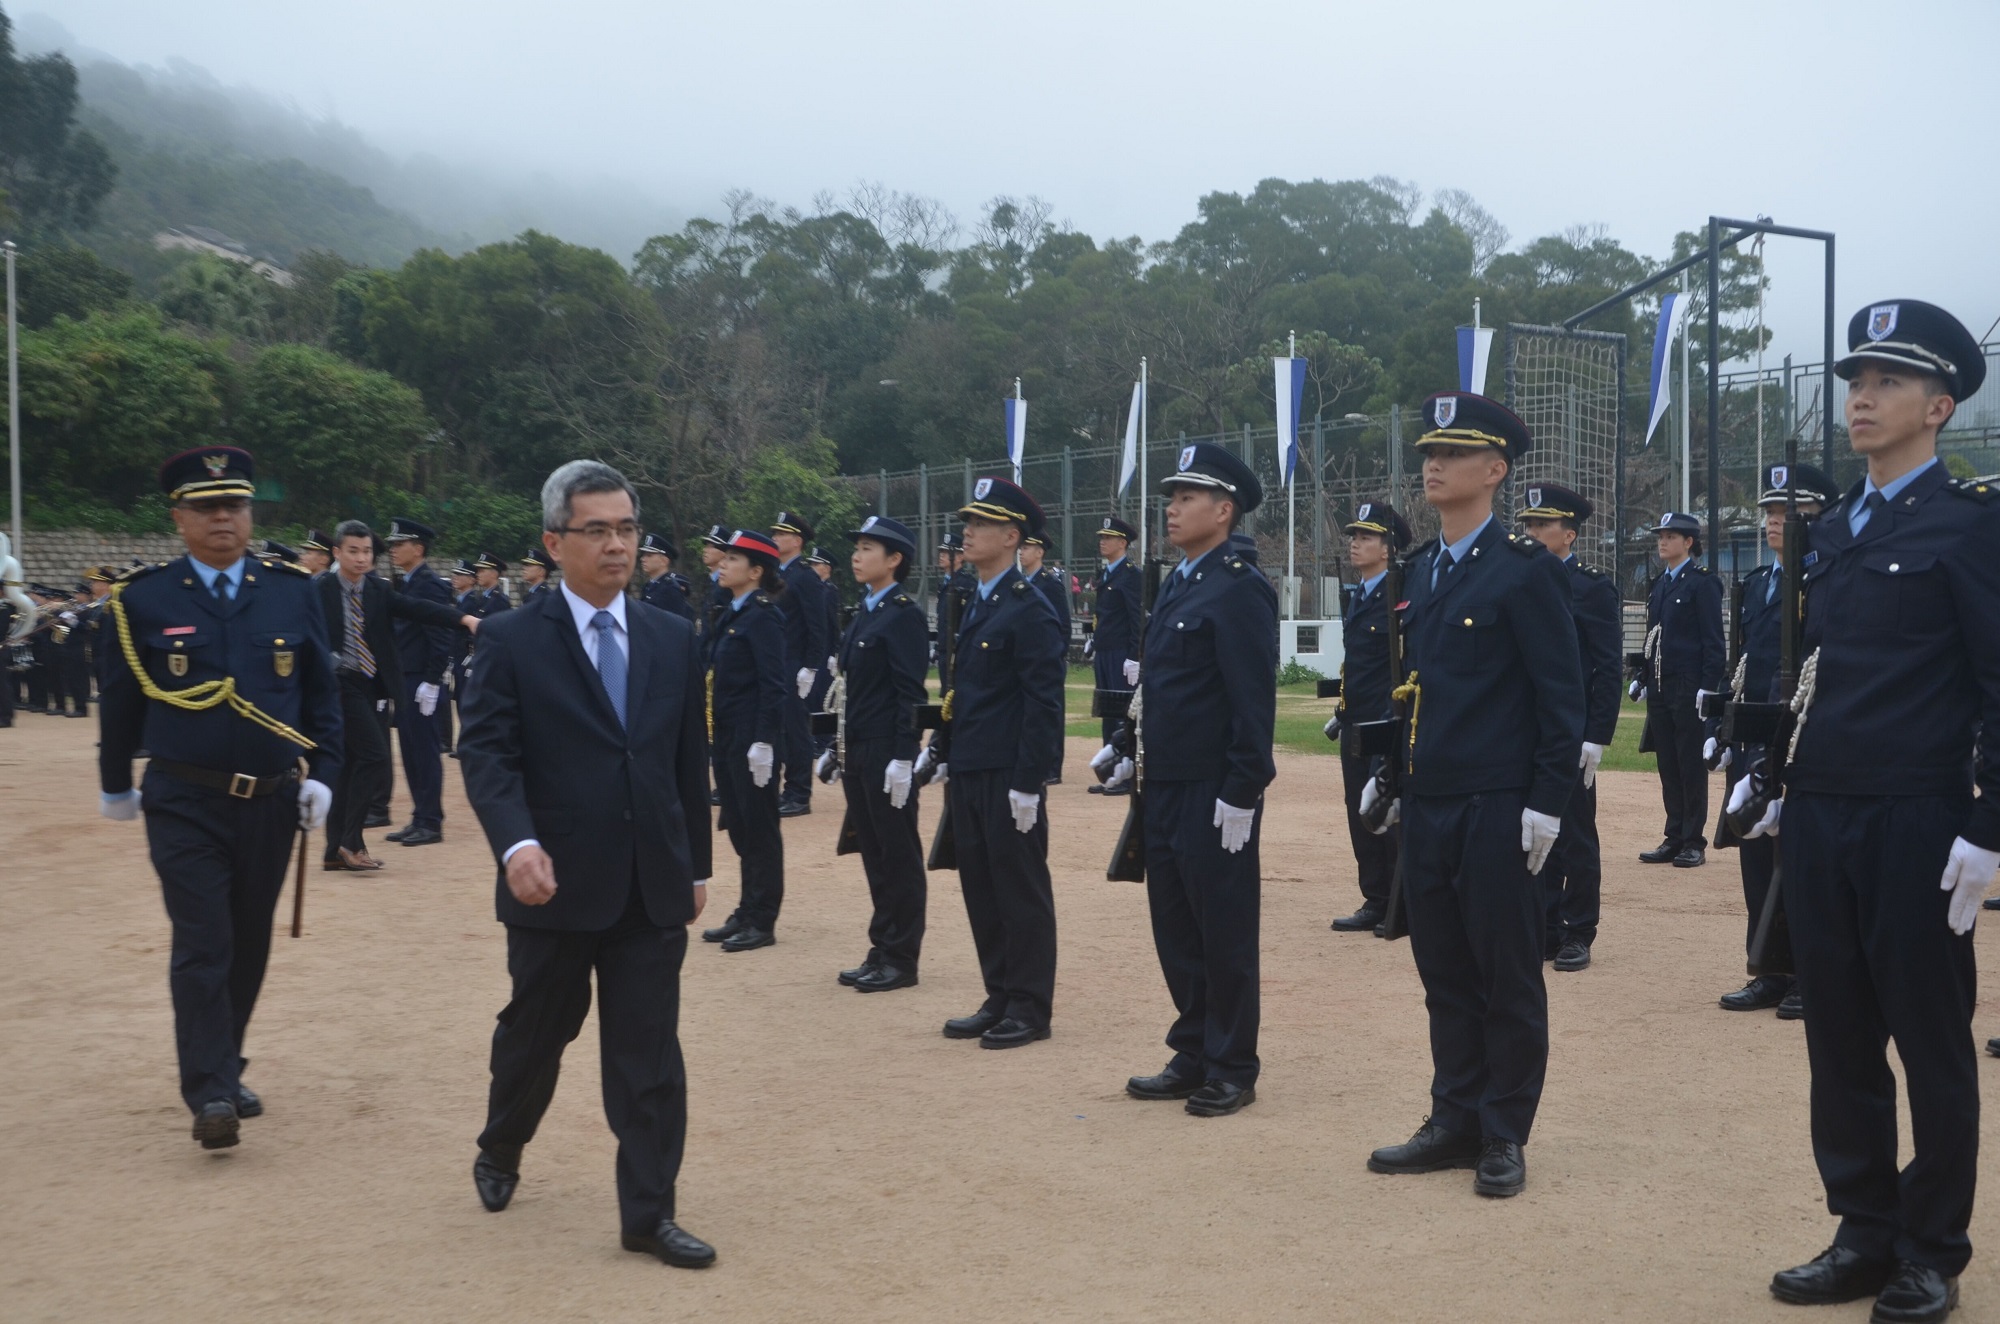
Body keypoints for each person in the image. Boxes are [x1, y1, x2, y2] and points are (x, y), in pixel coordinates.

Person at [1739, 301, 1997, 1324]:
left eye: (1888, 382)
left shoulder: (1969, 525)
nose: (1860, 395)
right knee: (1836, 1034)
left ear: (1937, 406)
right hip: (1821, 812)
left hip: (1917, 817)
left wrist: (1986, 825)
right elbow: (1810, 673)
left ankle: (1929, 1249)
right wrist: (1765, 779)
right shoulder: (1830, 528)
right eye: (1855, 379)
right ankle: (1859, 1227)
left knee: (1926, 1037)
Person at [459, 459, 716, 1270]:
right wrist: (516, 842)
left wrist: (697, 864)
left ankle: (648, 1213)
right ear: (554, 541)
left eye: (626, 529)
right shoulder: (508, 638)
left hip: (650, 882)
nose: (615, 546)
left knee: (647, 1053)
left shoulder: (673, 636)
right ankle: (502, 1144)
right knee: (537, 1035)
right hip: (554, 881)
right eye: (596, 530)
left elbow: (684, 759)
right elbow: (488, 755)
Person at [1364, 392, 1582, 1200]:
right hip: (1431, 801)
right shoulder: (1420, 570)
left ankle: (1502, 1132)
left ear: (1494, 471)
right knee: (1445, 970)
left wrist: (1547, 803)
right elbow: (1416, 692)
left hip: (1498, 801)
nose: (1434, 464)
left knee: (1506, 976)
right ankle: (1452, 1116)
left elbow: (1559, 698)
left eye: (1453, 454)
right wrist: (1393, 779)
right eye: (1429, 451)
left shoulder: (1523, 573)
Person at [96, 445, 342, 1149]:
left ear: (250, 512)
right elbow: (119, 701)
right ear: (180, 518)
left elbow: (321, 694)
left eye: (234, 505)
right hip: (185, 800)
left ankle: (225, 1065)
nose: (223, 518)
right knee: (204, 940)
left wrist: (323, 772)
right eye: (206, 507)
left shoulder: (293, 590)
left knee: (249, 941)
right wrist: (116, 783)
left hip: (269, 798)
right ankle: (208, 1092)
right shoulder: (143, 599)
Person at [1121, 443, 1277, 1118]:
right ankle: (1193, 1047)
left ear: (1224, 509)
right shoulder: (1181, 580)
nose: (1173, 509)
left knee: (1223, 928)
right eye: (1171, 498)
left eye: (1187, 498)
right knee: (1176, 924)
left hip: (1215, 788)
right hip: (1166, 782)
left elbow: (1251, 698)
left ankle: (1231, 1064)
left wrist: (1243, 789)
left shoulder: (1239, 585)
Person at [921, 477, 1066, 1049]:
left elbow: (1042, 702)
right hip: (973, 766)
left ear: (1012, 536)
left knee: (1019, 888)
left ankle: (1030, 1006)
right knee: (981, 884)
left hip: (1009, 772)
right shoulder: (972, 600)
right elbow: (963, 693)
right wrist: (941, 752)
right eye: (968, 523)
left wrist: (1030, 780)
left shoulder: (1027, 609)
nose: (968, 532)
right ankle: (1000, 994)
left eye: (980, 525)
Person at [1713, 463, 1834, 1019]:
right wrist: (1725, 732)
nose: (1774, 522)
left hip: (1805, 742)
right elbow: (1749, 664)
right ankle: (1770, 967)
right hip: (1758, 742)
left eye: (1790, 513)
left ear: (1818, 518)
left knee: (1806, 863)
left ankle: (1813, 974)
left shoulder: (1827, 581)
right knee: (1757, 857)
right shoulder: (1761, 583)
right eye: (1769, 513)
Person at [318, 521, 474, 873]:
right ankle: (349, 843)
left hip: (371, 686)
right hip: (338, 684)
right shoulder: (320, 590)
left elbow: (420, 610)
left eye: (367, 552)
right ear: (337, 553)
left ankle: (334, 849)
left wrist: (464, 619)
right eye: (354, 551)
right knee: (372, 757)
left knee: (350, 764)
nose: (361, 558)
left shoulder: (377, 589)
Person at [1518, 484, 1621, 972]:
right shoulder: (1518, 580)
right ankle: (1546, 925)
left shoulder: (1591, 586)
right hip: (1529, 728)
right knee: (1535, 830)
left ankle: (1579, 929)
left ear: (1570, 534)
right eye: (1529, 525)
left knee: (1576, 835)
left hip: (1574, 731)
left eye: (1543, 526)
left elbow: (1607, 668)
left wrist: (1596, 734)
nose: (1533, 533)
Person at [831, 516, 930, 993]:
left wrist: (904, 756)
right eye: (857, 548)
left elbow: (909, 692)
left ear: (894, 560)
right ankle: (881, 947)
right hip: (858, 748)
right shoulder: (866, 612)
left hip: (885, 750)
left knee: (898, 854)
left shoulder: (903, 613)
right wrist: (837, 747)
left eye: (868, 548)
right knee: (873, 852)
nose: (857, 555)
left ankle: (901, 957)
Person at [700, 530, 791, 953]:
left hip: (752, 739)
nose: (722, 564)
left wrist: (765, 741)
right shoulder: (733, 612)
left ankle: (762, 918)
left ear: (756, 571)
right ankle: (747, 907)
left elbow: (775, 685)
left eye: (733, 560)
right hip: (729, 736)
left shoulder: (763, 615)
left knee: (759, 828)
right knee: (739, 822)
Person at [1328, 501, 1411, 934]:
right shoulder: (1360, 592)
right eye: (1354, 537)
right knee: (1356, 811)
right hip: (1356, 720)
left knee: (1387, 809)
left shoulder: (1399, 593)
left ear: (1388, 546)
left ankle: (1403, 902)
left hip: (1386, 721)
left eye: (1366, 537)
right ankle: (1375, 898)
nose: (1355, 545)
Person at [1634, 511, 1724, 869]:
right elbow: (1653, 638)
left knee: (1689, 764)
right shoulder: (1660, 584)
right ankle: (1673, 836)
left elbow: (1714, 644)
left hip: (1688, 686)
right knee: (1667, 763)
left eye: (1670, 536)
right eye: (1660, 536)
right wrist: (1642, 677)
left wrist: (1707, 688)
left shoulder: (1702, 584)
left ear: (1689, 543)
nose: (1662, 542)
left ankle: (1693, 840)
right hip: (1660, 684)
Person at [383, 519, 454, 847]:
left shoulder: (428, 584)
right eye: (393, 544)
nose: (393, 549)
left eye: (400, 543)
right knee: (411, 750)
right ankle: (419, 815)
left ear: (419, 548)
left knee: (424, 751)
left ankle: (431, 821)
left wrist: (432, 681)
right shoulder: (408, 583)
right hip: (406, 677)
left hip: (421, 681)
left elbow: (440, 637)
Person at [769, 513, 828, 818]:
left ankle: (798, 793)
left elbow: (817, 626)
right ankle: (783, 789)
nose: (775, 538)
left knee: (795, 730)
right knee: (779, 730)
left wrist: (811, 667)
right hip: (776, 663)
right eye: (775, 533)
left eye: (781, 534)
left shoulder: (805, 576)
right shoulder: (776, 573)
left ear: (797, 540)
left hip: (795, 664)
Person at [1089, 516, 1142, 779]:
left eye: (1107, 538)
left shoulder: (1131, 575)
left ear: (1122, 543)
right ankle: (1108, 771)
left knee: (1124, 715)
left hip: (1122, 654)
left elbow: (1137, 618)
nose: (1102, 542)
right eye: (1101, 537)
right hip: (1105, 651)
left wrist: (1135, 656)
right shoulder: (1107, 573)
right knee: (1108, 713)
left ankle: (1127, 770)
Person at [1019, 529, 1071, 784]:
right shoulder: (1023, 583)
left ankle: (1053, 767)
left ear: (1039, 552)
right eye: (1022, 547)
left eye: (1027, 547)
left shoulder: (1050, 584)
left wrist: (1055, 657)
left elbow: (1063, 625)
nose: (1021, 551)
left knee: (1053, 713)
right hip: (1028, 660)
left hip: (1048, 660)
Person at [638, 533, 694, 623]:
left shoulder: (670, 589)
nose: (643, 559)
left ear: (664, 561)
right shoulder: (649, 586)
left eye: (649, 555)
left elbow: (676, 625)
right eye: (644, 555)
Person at [474, 552, 513, 617]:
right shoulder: (484, 597)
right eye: (478, 571)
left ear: (494, 574)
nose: (477, 575)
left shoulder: (500, 601)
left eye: (482, 571)